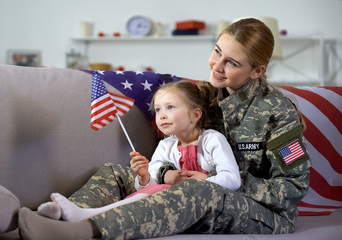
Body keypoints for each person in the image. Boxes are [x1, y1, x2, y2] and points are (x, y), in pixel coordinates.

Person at [18, 18, 311, 240]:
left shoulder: (278, 110)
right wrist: (161, 174)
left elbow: (293, 188)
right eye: (217, 52)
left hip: (265, 214)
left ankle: (86, 231)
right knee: (116, 172)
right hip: (197, 185)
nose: (217, 66)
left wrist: (216, 179)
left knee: (199, 192)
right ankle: (64, 216)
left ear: (257, 71)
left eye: (231, 62)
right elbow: (171, 133)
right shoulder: (203, 95)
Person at [35, 81, 241, 222]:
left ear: (196, 114)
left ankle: (85, 215)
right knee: (139, 186)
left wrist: (202, 181)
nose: (162, 115)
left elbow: (232, 179)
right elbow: (150, 183)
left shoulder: (212, 140)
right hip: (166, 198)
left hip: (200, 206)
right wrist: (143, 176)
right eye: (158, 109)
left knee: (154, 195)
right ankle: (70, 209)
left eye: (170, 107)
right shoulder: (166, 145)